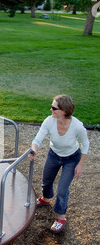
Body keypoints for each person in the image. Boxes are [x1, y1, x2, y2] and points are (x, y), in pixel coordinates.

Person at [29, 95, 89, 233]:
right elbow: (38, 138)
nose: (51, 109)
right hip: (54, 155)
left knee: (62, 190)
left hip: (72, 158)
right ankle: (46, 198)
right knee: (46, 180)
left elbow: (85, 144)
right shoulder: (49, 121)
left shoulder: (77, 126)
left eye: (54, 108)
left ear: (64, 111)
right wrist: (34, 150)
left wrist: (80, 164)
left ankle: (61, 217)